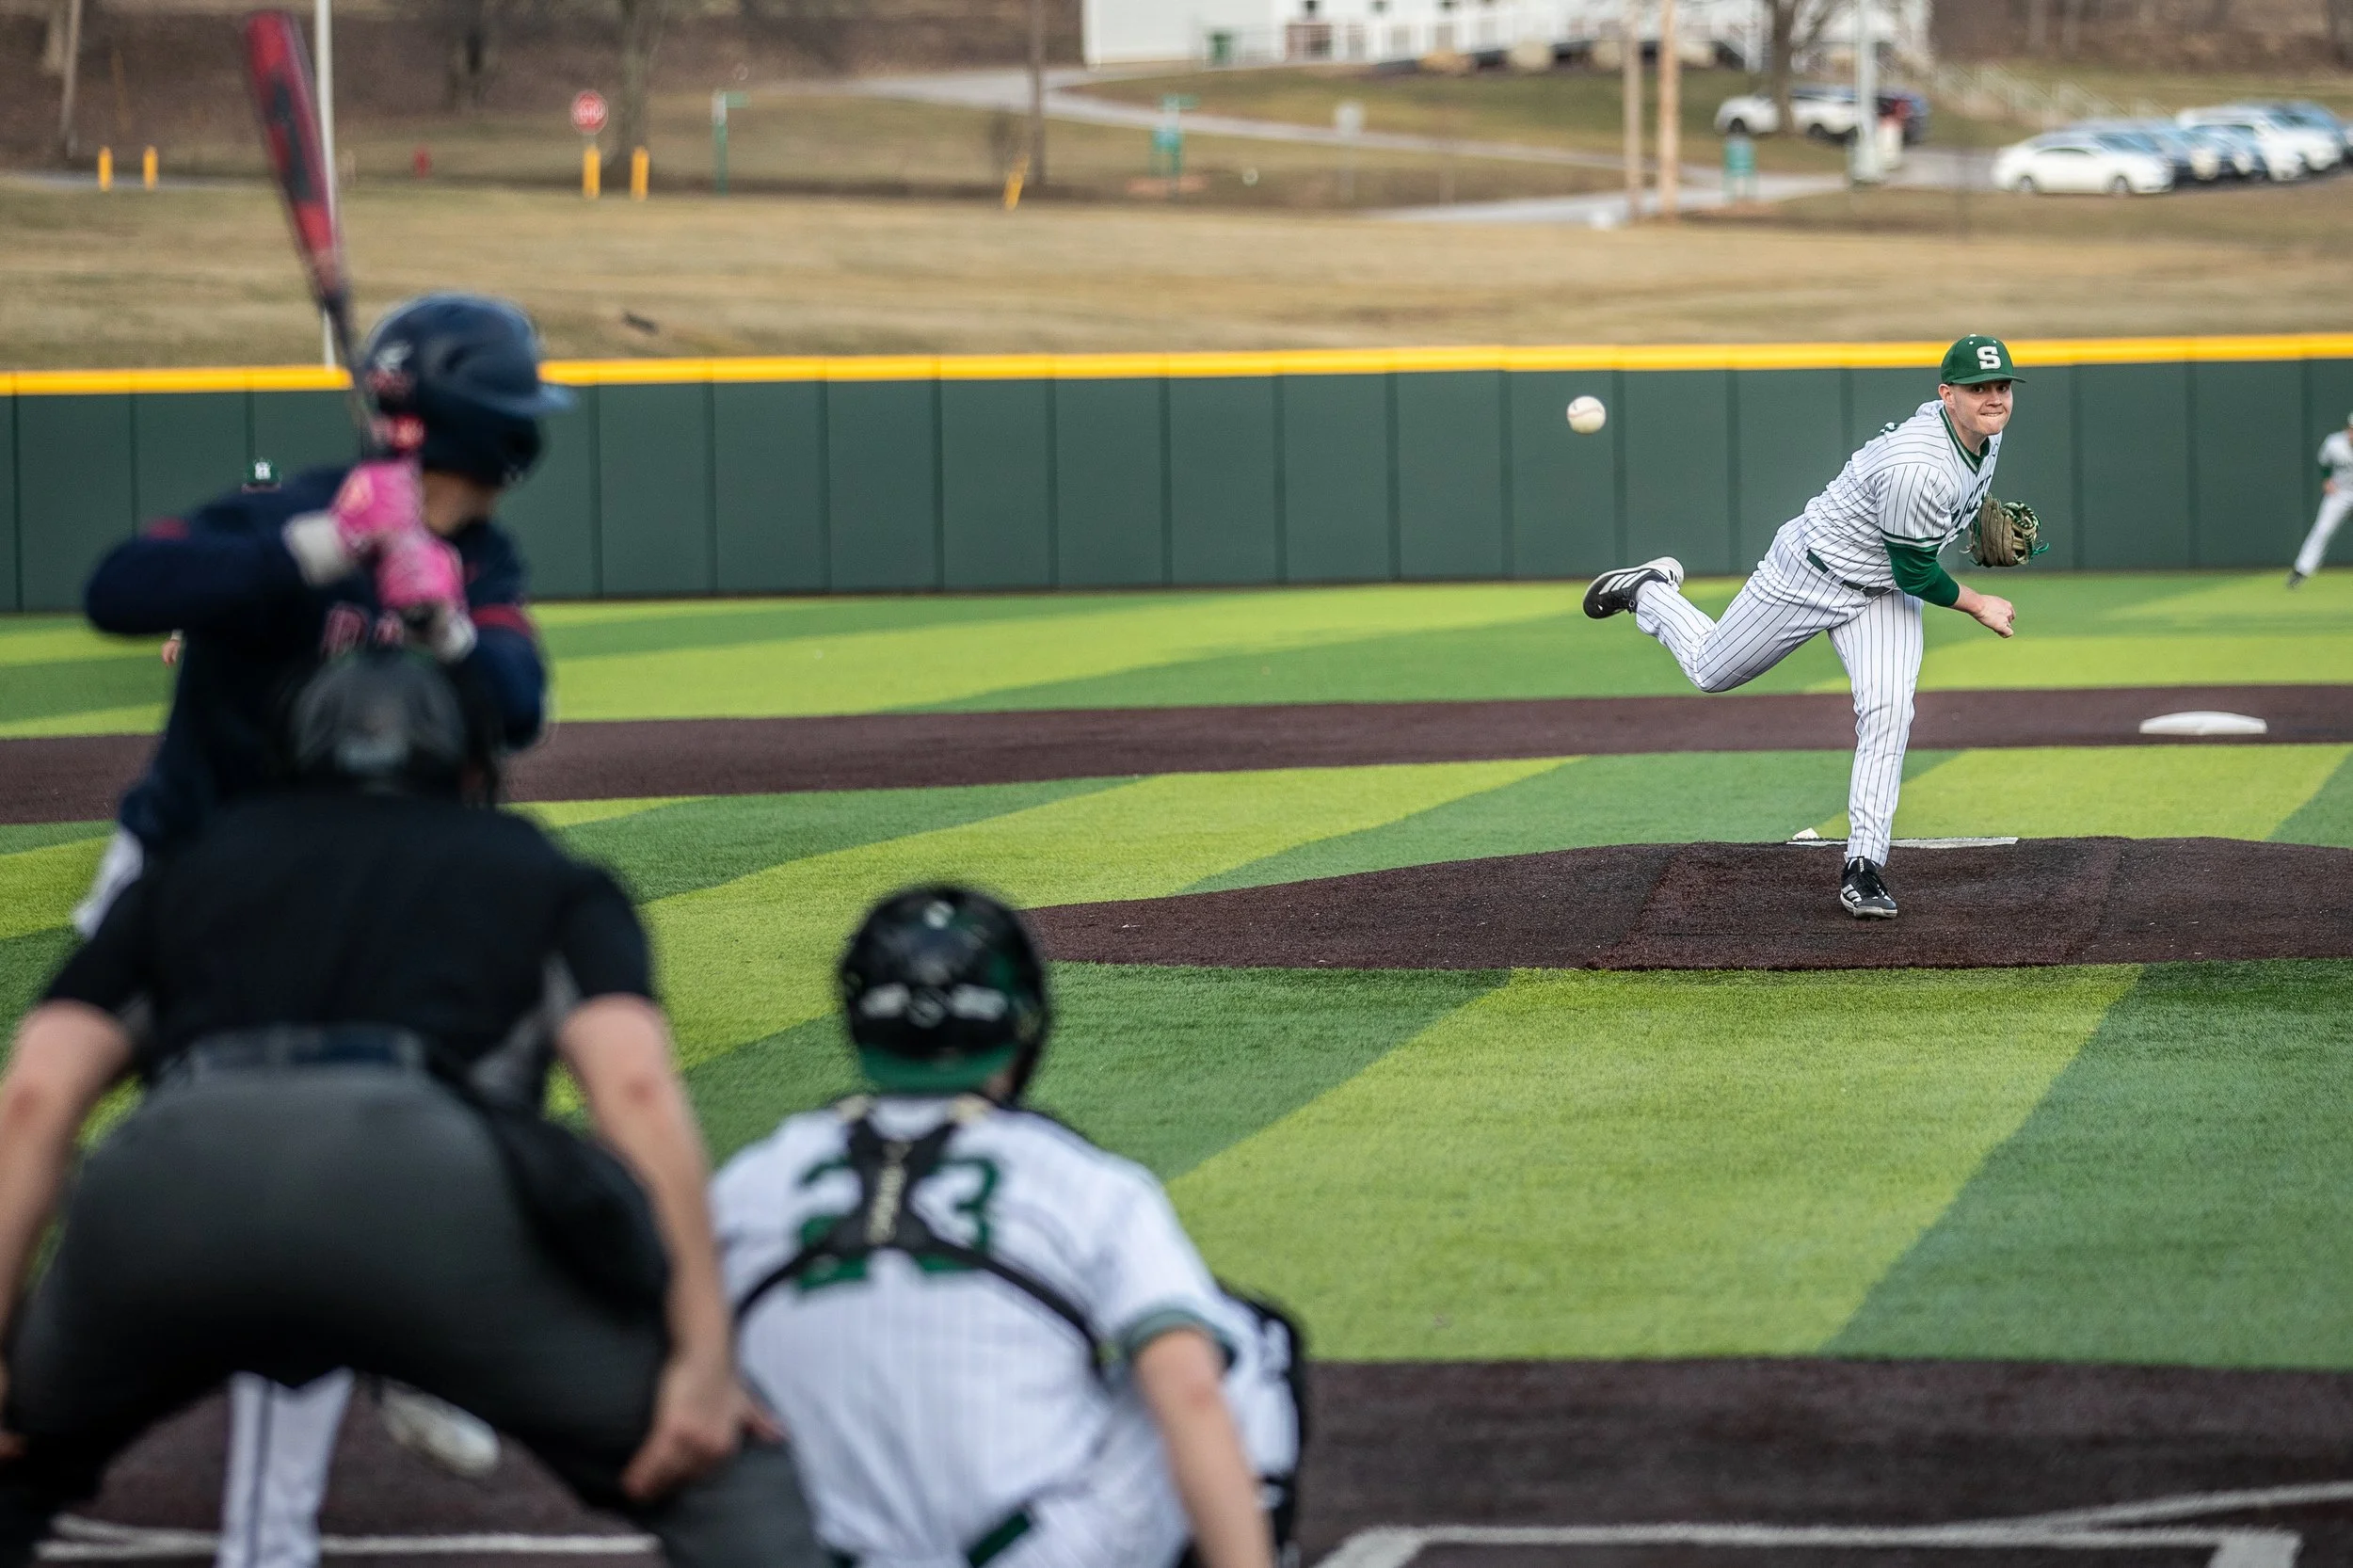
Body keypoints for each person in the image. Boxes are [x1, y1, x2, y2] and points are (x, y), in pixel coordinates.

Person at [0, 649, 822, 1568]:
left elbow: (36, 1094)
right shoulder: (536, 867)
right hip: (426, 1193)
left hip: (168, 1190)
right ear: (471, 765)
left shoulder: (189, 870)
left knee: (17, 1459)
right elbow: (632, 1089)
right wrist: (703, 1358)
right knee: (722, 1480)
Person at [72, 293, 567, 1565]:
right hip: (181, 872)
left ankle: (293, 1498)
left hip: (340, 909)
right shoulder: (296, 507)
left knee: (304, 1182)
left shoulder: (486, 559)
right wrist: (311, 550)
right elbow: (122, 589)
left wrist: (446, 615)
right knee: (76, 1116)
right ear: (492, 427)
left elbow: (513, 706)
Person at [713, 886, 1301, 1568]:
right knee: (1244, 1342)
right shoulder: (1079, 1179)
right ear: (1020, 1022)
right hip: (1036, 1554)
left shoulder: (750, 1184)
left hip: (815, 1553)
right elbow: (1189, 1388)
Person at [1581, 334, 2024, 920]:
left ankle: (1864, 867)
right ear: (1947, 394)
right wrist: (1977, 602)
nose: (1993, 399)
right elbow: (1918, 572)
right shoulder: (1918, 467)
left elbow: (1918, 548)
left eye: (2001, 387)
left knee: (1889, 711)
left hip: (1881, 595)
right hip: (1810, 573)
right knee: (1712, 670)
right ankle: (1650, 591)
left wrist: (1966, 528)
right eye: (1977, 389)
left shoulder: (1982, 436)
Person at [2288, 409, 2353, 587]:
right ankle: (2301, 571)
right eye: (2352, 428)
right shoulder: (2334, 443)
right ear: (2347, 428)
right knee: (2323, 530)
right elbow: (2323, 461)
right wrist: (2326, 479)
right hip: (2340, 493)